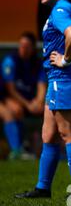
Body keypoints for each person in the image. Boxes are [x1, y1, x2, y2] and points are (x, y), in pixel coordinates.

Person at [15, 0, 71, 199]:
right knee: (48, 135)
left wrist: (66, 60)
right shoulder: (67, 8)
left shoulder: (59, 10)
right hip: (59, 79)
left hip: (63, 79)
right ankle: (42, 188)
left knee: (69, 134)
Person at [0, 32, 47, 160]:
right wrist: (28, 104)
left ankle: (51, 149)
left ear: (33, 48)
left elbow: (42, 85)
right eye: (21, 45)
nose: (23, 48)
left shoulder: (38, 64)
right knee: (14, 111)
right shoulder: (10, 61)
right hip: (6, 98)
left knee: (50, 111)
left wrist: (38, 101)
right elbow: (10, 90)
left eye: (26, 46)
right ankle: (16, 150)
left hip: (23, 100)